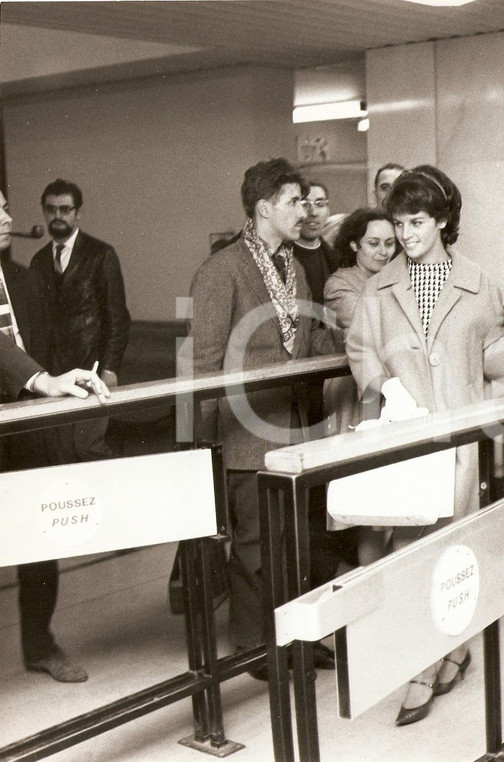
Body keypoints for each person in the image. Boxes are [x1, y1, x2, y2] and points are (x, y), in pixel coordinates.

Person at [346, 165, 504, 725]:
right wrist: (386, 386)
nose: (405, 235)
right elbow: (360, 349)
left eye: (417, 222)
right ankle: (424, 666)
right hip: (405, 441)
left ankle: (453, 648)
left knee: (454, 549)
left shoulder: (480, 284)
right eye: (399, 223)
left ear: (444, 220)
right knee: (408, 552)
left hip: (460, 443)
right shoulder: (379, 287)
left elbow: (496, 363)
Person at [186, 158, 339, 678]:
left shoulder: (293, 267)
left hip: (293, 426)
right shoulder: (220, 270)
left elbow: (303, 339)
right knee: (253, 548)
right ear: (264, 207)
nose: (304, 211)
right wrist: (203, 450)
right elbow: (202, 366)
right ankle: (256, 648)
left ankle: (292, 636)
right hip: (243, 434)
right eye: (296, 201)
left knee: (292, 540)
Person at [1, 189, 110, 684]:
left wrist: (62, 382)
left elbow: (44, 346)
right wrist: (42, 380)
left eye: (5, 207)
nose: (7, 217)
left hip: (27, 428)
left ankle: (39, 642)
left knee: (38, 539)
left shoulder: (24, 279)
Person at [30, 178, 130, 462]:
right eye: (51, 209)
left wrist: (110, 368)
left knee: (90, 450)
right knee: (58, 453)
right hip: (53, 375)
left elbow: (118, 317)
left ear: (78, 213)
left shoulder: (101, 254)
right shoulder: (38, 262)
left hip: (92, 370)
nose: (58, 216)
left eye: (65, 209)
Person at [322, 207, 397, 435]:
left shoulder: (396, 280)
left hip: (389, 386)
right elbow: (373, 326)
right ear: (354, 245)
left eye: (390, 243)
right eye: (373, 243)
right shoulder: (339, 283)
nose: (383, 252)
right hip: (352, 392)